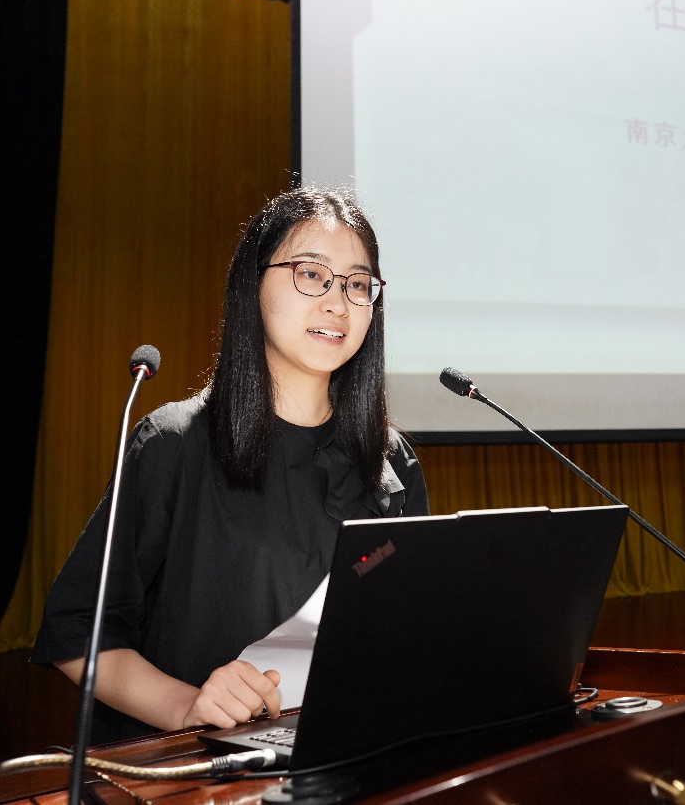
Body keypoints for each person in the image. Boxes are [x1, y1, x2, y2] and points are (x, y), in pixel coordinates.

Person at [31, 188, 429, 743]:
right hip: (200, 768)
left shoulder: (391, 462)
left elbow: (407, 632)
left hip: (343, 752)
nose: (338, 304)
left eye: (357, 285)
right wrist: (187, 707)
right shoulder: (175, 443)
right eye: (311, 274)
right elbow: (78, 632)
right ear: (252, 283)